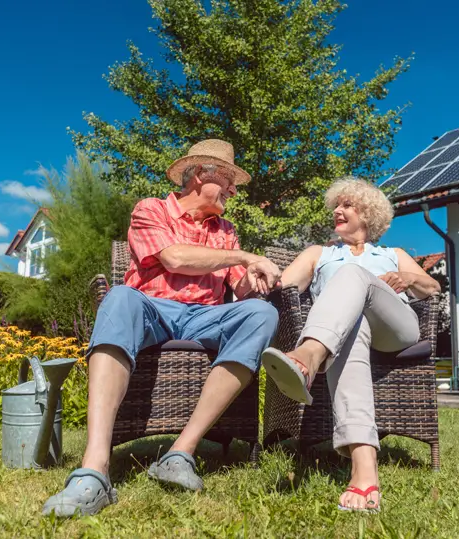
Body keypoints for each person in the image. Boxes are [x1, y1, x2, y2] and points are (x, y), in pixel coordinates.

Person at [43, 140, 281, 517]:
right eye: (229, 181)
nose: (234, 191)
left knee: (261, 314)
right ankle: (94, 468)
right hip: (151, 309)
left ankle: (180, 452)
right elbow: (174, 258)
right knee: (119, 296)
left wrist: (259, 276)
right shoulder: (151, 209)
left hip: (205, 316)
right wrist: (244, 255)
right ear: (201, 174)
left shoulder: (226, 230)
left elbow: (239, 288)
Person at [261, 176, 440, 513]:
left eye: (347, 205)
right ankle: (364, 468)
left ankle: (309, 357)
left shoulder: (393, 254)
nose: (337, 211)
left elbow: (431, 288)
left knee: (353, 275)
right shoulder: (318, 253)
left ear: (368, 214)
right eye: (336, 206)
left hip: (395, 330)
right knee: (353, 329)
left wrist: (409, 279)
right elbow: (284, 287)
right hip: (344, 335)